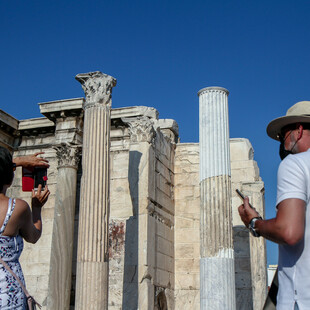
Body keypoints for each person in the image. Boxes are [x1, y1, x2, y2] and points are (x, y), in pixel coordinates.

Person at [238, 101, 310, 310]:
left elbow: (289, 232)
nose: (281, 142)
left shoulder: (295, 164)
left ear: (298, 130)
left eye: (283, 135)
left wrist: (254, 223)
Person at [0, 147, 50, 309]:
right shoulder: (16, 207)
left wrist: (16, 162)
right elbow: (33, 236)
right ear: (9, 176)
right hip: (7, 291)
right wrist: (36, 208)